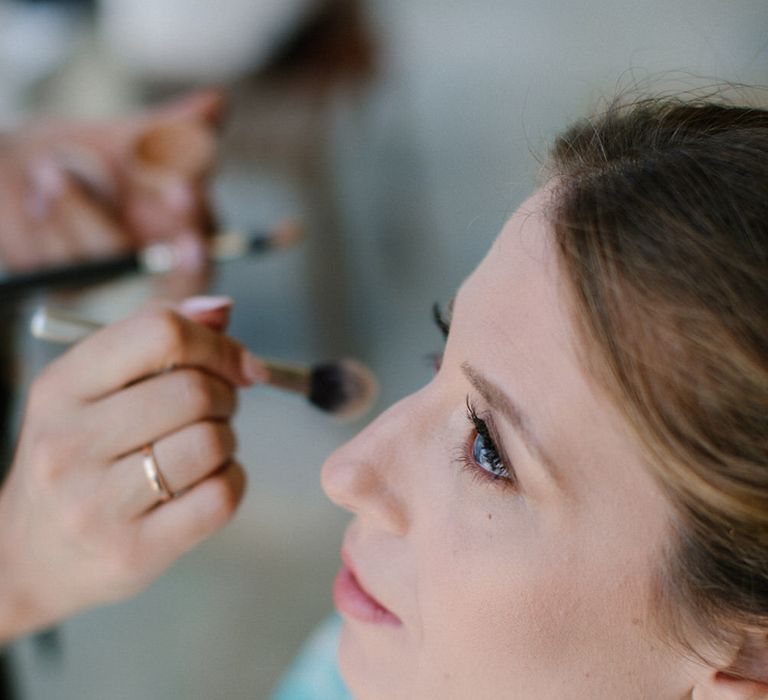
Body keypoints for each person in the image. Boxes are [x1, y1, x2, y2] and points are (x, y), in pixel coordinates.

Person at [272, 95, 768, 698]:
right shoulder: (356, 658)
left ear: (746, 662)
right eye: (440, 356)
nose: (346, 472)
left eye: (489, 454)